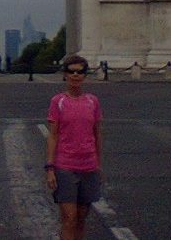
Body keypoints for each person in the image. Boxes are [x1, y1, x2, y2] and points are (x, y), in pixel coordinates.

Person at [46, 55, 102, 240]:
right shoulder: (58, 101)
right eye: (72, 71)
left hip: (88, 166)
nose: (76, 75)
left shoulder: (93, 101)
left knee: (81, 219)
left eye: (80, 71)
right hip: (65, 167)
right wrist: (50, 168)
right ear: (65, 74)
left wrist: (98, 165)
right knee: (69, 218)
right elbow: (52, 135)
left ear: (85, 75)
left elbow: (97, 134)